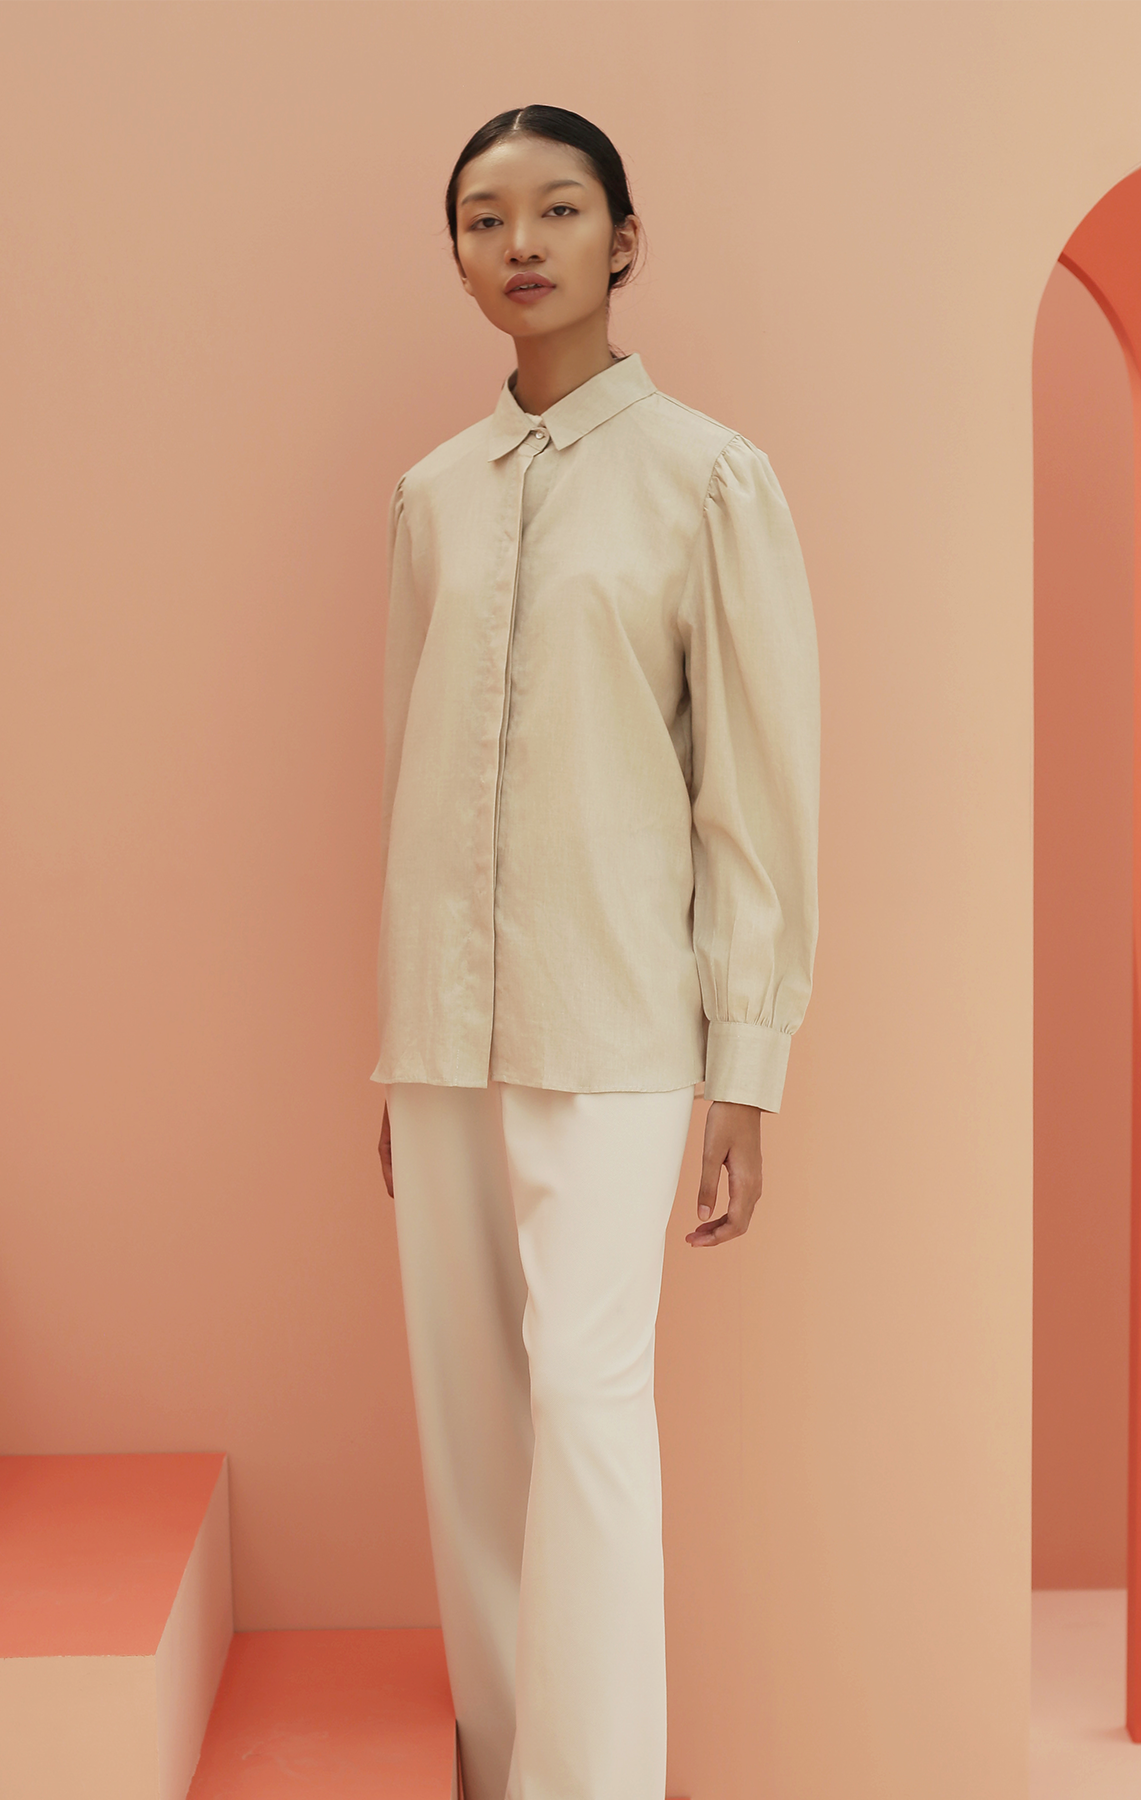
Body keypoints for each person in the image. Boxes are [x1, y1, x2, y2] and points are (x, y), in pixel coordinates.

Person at [372, 104, 819, 1800]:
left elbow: (757, 793)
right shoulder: (431, 497)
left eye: (560, 209)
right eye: (487, 217)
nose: (523, 242)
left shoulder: (710, 479)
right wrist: (405, 1043)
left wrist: (747, 1069)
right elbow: (411, 774)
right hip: (444, 1037)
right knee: (473, 1432)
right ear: (459, 255)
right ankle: (507, 1767)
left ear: (623, 241)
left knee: (586, 1406)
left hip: (622, 1023)